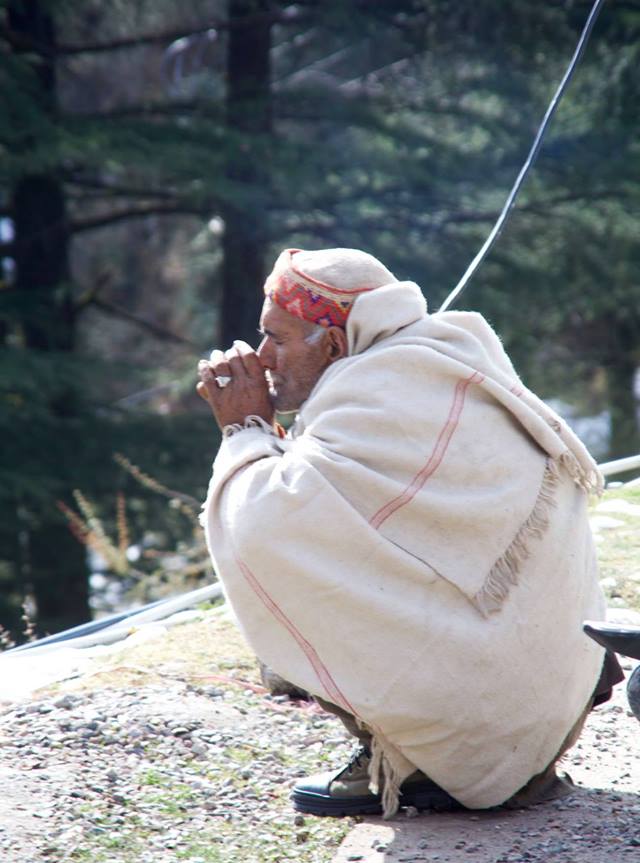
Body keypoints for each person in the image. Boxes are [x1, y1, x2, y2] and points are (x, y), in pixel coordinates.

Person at [197, 247, 622, 818]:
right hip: (551, 695)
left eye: (278, 337)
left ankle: (417, 764)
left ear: (334, 344)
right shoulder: (449, 353)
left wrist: (242, 429)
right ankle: (491, 753)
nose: (264, 356)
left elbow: (263, 528)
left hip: (494, 713)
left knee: (294, 574)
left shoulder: (376, 392)